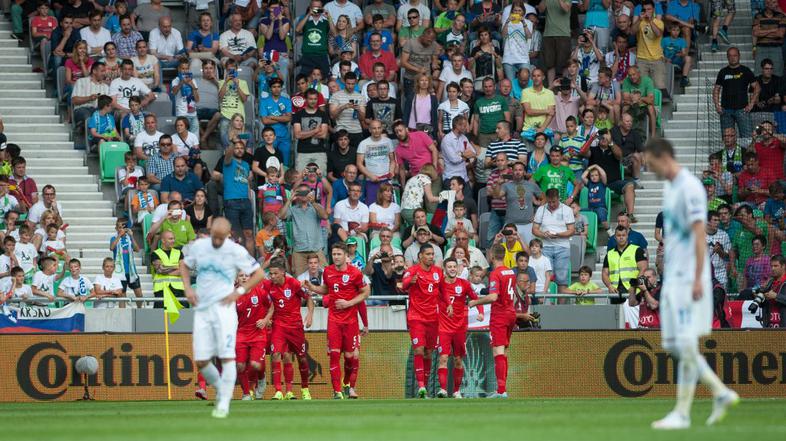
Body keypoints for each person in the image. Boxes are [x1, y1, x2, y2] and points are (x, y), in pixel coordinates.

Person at [644, 137, 739, 429]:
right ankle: (715, 394)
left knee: (683, 342)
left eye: (651, 164)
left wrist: (699, 277)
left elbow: (700, 234)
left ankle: (689, 409)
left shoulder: (689, 187)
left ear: (663, 157)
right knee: (675, 344)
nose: (650, 169)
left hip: (688, 278)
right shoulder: (671, 188)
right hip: (673, 277)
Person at [180, 218, 264, 418]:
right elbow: (184, 264)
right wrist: (188, 288)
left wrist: (239, 292)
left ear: (228, 235)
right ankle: (220, 388)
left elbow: (259, 273)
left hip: (225, 310)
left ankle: (224, 403)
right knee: (201, 360)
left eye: (221, 238)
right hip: (202, 309)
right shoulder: (200, 247)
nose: (217, 241)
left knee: (227, 357)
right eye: (214, 237)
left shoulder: (236, 251)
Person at [303, 242, 369, 399]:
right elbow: (326, 289)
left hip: (351, 322)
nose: (336, 257)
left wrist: (349, 303)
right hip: (334, 320)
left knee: (350, 357)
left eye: (339, 254)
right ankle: (337, 391)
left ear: (346, 256)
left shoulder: (355, 273)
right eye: (334, 254)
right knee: (334, 355)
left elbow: (366, 292)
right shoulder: (327, 271)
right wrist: (312, 287)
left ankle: (346, 383)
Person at [465, 244, 517, 398]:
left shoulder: (496, 274)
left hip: (500, 315)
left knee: (498, 351)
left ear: (492, 256)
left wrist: (475, 302)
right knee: (504, 352)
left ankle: (501, 391)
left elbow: (494, 297)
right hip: (510, 313)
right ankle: (503, 389)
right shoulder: (511, 272)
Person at [263, 258, 315, 400]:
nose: (272, 276)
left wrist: (310, 315)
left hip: (296, 327)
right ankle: (279, 391)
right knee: (275, 354)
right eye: (270, 274)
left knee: (302, 359)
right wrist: (267, 317)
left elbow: (309, 298)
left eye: (274, 274)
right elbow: (260, 295)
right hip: (279, 326)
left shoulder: (293, 284)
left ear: (283, 273)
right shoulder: (268, 285)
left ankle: (304, 388)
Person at [435, 257, 482, 398]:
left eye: (454, 266)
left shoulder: (464, 284)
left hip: (459, 328)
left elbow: (475, 298)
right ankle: (443, 390)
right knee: (443, 358)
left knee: (458, 360)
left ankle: (456, 391)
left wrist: (480, 311)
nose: (452, 269)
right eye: (449, 266)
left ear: (458, 268)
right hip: (443, 328)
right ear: (444, 269)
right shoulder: (440, 284)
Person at [402, 244, 443, 398]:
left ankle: (424, 388)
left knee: (428, 353)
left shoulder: (438, 272)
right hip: (416, 317)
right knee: (419, 349)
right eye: (428, 254)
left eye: (432, 254)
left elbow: (444, 291)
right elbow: (403, 285)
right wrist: (409, 282)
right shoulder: (412, 271)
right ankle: (420, 386)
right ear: (420, 256)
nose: (431, 257)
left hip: (433, 318)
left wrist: (449, 305)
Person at [234, 271, 273, 400]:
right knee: (240, 365)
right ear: (237, 279)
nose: (244, 278)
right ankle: (246, 393)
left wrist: (265, 320)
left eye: (246, 275)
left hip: (258, 334)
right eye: (241, 276)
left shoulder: (259, 292)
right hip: (241, 333)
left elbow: (272, 306)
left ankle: (261, 378)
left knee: (255, 364)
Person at [532, 189, 575, 292]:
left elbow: (571, 230)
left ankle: (560, 307)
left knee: (562, 279)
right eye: (549, 201)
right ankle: (548, 305)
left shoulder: (567, 210)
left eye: (554, 201)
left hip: (563, 247)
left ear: (558, 198)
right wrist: (543, 234)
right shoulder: (541, 209)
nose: (551, 204)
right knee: (546, 277)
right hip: (545, 247)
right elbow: (534, 229)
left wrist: (558, 234)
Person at [713, 47, 759, 142]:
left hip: (742, 109)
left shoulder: (746, 70)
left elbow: (757, 87)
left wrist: (751, 104)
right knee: (727, 139)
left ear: (739, 56)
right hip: (726, 110)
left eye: (735, 55)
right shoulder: (723, 72)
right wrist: (717, 105)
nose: (733, 58)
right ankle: (730, 157)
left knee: (747, 139)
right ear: (727, 57)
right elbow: (716, 89)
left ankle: (747, 157)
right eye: (730, 56)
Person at [222, 140, 255, 254]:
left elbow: (246, 183)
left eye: (242, 148)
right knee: (234, 235)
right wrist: (233, 142)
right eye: (237, 148)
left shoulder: (246, 164)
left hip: (245, 201)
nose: (239, 149)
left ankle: (251, 265)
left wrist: (249, 198)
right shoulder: (228, 161)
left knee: (249, 234)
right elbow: (227, 155)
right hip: (231, 201)